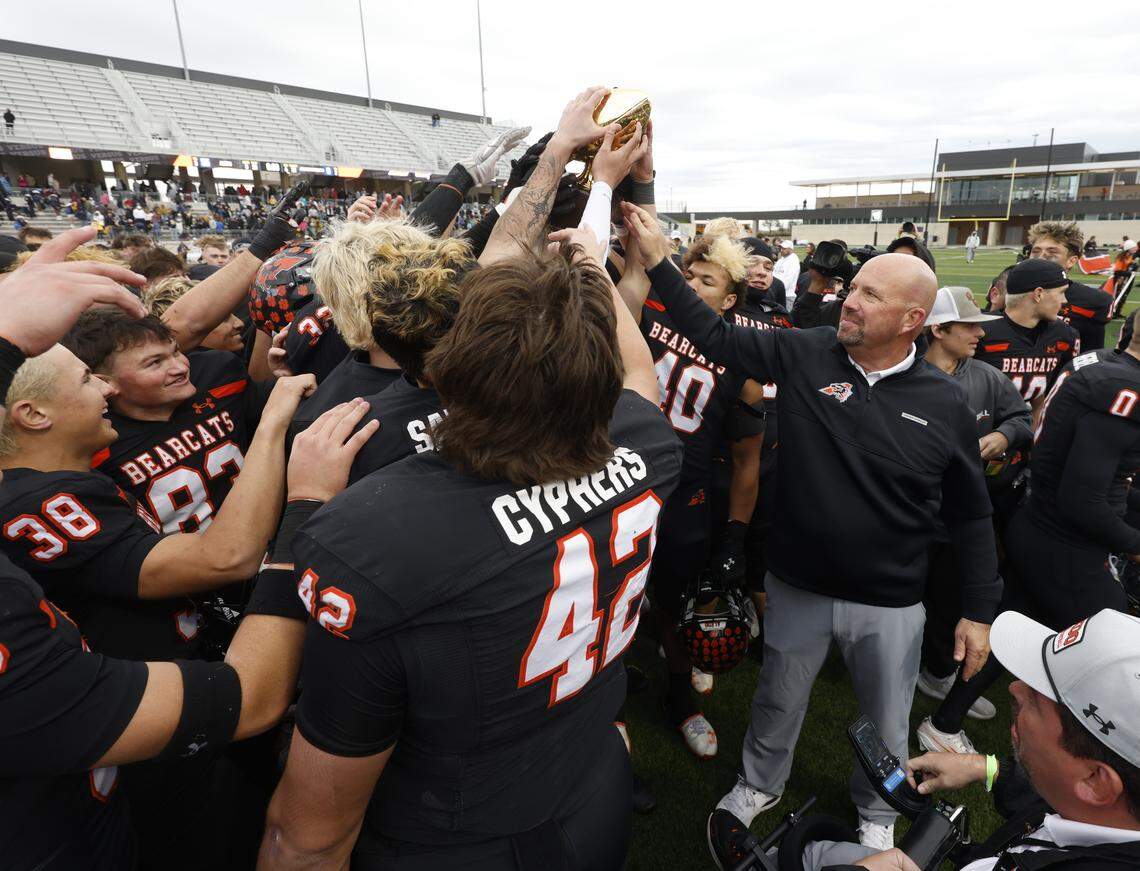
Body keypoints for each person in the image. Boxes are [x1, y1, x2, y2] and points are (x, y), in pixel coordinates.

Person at [258, 86, 682, 871]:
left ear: (449, 373)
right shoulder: (646, 443)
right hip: (589, 784)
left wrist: (307, 506)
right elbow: (636, 371)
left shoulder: (369, 533)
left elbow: (306, 834)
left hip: (458, 834)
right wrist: (587, 252)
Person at [621, 205, 1000, 858]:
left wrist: (979, 609)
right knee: (777, 698)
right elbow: (715, 335)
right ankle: (759, 782)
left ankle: (876, 810)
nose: (849, 302)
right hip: (795, 581)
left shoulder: (945, 403)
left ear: (914, 320)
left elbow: (971, 511)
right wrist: (657, 258)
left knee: (885, 719)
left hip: (891, 600)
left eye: (868, 296)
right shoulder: (806, 350)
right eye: (852, 289)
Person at [616, 225, 767, 757]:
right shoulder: (649, 315)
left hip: (686, 493)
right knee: (612, 596)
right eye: (690, 275)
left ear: (729, 300)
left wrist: (735, 535)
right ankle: (608, 704)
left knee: (679, 602)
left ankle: (680, 698)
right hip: (622, 479)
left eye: (706, 281)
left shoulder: (743, 362)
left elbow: (748, 460)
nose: (691, 284)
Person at [839, 608, 1140, 871]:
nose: (1014, 689)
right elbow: (1051, 799)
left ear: (1095, 782)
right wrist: (985, 769)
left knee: (807, 848)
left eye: (1036, 698)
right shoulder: (1102, 814)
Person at [913, 287, 1033, 756]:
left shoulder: (986, 376)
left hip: (961, 516)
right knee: (905, 600)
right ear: (938, 330)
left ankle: (937, 671)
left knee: (948, 597)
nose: (982, 333)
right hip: (909, 515)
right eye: (969, 325)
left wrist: (1004, 435)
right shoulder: (907, 373)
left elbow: (1021, 417)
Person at [1002, 324, 1140, 630]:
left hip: (1039, 517)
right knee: (1107, 633)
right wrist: (1134, 544)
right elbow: (1082, 501)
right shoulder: (1123, 388)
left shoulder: (1101, 361)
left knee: (1014, 634)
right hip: (1063, 546)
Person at [973, 258, 1078, 413]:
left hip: (1025, 426)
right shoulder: (980, 331)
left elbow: (1044, 396)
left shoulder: (1064, 335)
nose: (1065, 300)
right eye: (1061, 292)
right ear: (1038, 294)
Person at [1027, 221, 1111, 350]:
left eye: (1052, 252)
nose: (1041, 256)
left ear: (1071, 261)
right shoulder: (1011, 287)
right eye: (1036, 251)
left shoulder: (1093, 300)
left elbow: (1092, 352)